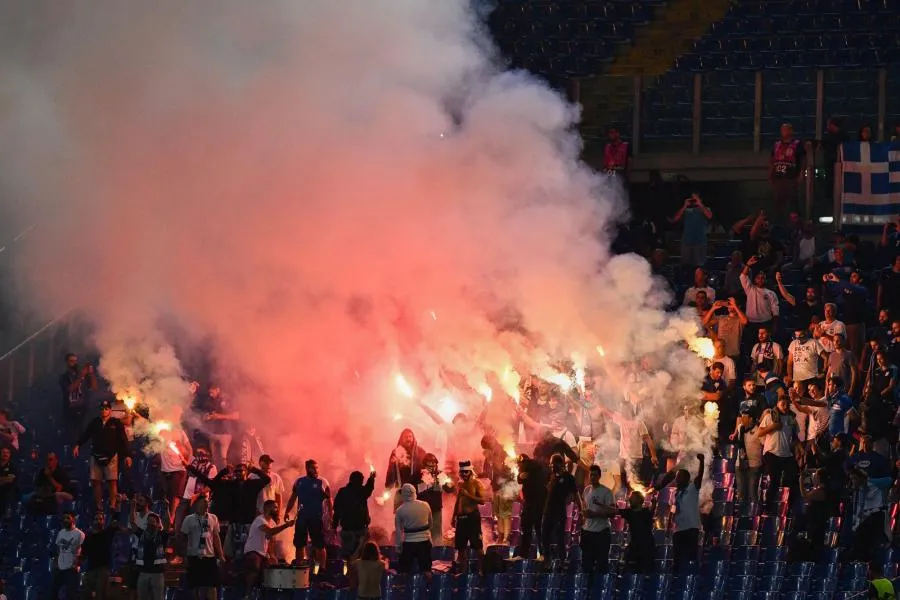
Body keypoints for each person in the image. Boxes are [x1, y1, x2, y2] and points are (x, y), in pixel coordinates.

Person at [74, 399, 132, 512]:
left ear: (110, 410)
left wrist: (128, 455)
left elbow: (123, 440)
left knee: (112, 481)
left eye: (106, 408)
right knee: (96, 481)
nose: (104, 410)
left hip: (111, 456)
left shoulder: (116, 423)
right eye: (102, 409)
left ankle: (112, 505)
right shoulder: (95, 422)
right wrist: (78, 445)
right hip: (96, 455)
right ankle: (99, 505)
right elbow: (86, 434)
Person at [657, 454, 705, 572]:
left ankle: (690, 576)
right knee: (677, 559)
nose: (676, 479)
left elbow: (700, 476)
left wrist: (702, 461)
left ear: (686, 479)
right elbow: (673, 511)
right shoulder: (676, 494)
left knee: (690, 556)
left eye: (679, 477)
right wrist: (669, 527)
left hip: (691, 528)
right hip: (678, 530)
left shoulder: (693, 488)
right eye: (676, 477)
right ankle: (677, 576)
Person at [757, 393, 801, 515]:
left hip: (786, 454)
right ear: (777, 404)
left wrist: (799, 449)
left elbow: (795, 436)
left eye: (787, 405)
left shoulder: (792, 418)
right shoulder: (770, 416)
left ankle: (790, 507)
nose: (785, 407)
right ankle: (767, 509)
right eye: (783, 404)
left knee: (794, 478)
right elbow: (759, 433)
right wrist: (773, 426)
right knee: (774, 481)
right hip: (772, 452)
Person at [241, 499, 296, 596]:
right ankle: (247, 594)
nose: (277, 509)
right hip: (253, 551)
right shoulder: (260, 520)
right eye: (275, 507)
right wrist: (286, 525)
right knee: (255, 566)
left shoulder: (272, 523)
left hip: (263, 553)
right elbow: (270, 531)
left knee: (271, 570)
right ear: (267, 508)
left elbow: (271, 541)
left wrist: (272, 555)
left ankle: (264, 594)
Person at [285, 459, 331, 568]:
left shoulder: (322, 482)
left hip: (316, 517)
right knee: (299, 544)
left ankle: (322, 569)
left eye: (317, 468)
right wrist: (287, 511)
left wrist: (331, 515)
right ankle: (299, 567)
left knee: (319, 545)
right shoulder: (299, 482)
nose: (316, 470)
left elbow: (329, 500)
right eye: (313, 468)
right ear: (307, 469)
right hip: (301, 518)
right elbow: (293, 498)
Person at [180, 495, 225, 600]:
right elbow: (183, 538)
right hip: (194, 555)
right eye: (202, 502)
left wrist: (221, 554)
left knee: (212, 584)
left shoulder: (213, 518)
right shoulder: (189, 519)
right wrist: (184, 556)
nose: (204, 504)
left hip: (209, 555)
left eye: (206, 502)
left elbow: (216, 537)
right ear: (196, 504)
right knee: (195, 585)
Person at [541, 453, 581, 564]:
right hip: (548, 511)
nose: (551, 466)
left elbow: (576, 495)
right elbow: (547, 491)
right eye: (550, 464)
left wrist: (581, 510)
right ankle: (547, 560)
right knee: (544, 536)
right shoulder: (550, 476)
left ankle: (562, 561)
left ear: (559, 464)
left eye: (552, 464)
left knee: (560, 538)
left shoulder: (569, 478)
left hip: (559, 511)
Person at [580, 465, 615, 578]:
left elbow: (612, 513)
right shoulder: (586, 490)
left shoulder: (606, 492)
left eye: (595, 475)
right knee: (586, 564)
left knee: (602, 564)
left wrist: (594, 514)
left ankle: (600, 586)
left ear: (599, 476)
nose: (593, 477)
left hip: (601, 532)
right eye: (591, 475)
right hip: (587, 531)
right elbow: (586, 507)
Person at [332, 469, 377, 558]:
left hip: (347, 529)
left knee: (346, 554)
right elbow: (368, 489)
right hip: (360, 529)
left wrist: (334, 526)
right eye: (362, 479)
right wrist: (371, 479)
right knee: (361, 555)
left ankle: (347, 566)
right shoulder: (361, 491)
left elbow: (336, 510)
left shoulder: (342, 492)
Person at [741, 257, 780, 355]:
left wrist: (774, 325)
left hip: (766, 323)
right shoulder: (750, 289)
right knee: (750, 348)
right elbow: (743, 276)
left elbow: (775, 311)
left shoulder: (771, 293)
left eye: (763, 278)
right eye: (758, 277)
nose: (761, 279)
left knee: (765, 348)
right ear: (755, 279)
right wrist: (747, 265)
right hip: (751, 323)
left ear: (765, 280)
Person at [413, 453, 453, 546]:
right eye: (429, 465)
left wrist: (450, 485)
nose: (431, 468)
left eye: (433, 465)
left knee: (436, 533)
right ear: (424, 465)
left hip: (436, 509)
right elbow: (414, 490)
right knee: (422, 532)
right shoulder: (418, 475)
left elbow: (449, 489)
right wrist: (428, 484)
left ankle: (437, 550)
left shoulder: (440, 474)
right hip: (422, 509)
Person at [452, 459, 485, 574]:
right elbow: (458, 501)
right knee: (461, 548)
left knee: (478, 547)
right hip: (461, 519)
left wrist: (468, 495)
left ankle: (482, 570)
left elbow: (482, 500)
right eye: (462, 472)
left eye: (466, 472)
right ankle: (462, 572)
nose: (464, 474)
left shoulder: (477, 483)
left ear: (471, 471)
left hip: (472, 518)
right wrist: (453, 516)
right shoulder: (460, 484)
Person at [395, 483, 433, 574]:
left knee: (404, 572)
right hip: (424, 542)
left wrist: (399, 547)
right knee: (427, 571)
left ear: (403, 494)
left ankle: (406, 583)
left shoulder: (400, 510)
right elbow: (431, 524)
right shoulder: (425, 505)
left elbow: (398, 531)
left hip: (408, 543)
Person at [58, 353, 98, 441]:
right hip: (70, 411)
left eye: (75, 361)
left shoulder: (81, 375)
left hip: (84, 410)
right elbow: (70, 389)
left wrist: (91, 374)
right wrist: (82, 375)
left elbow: (94, 388)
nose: (74, 363)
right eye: (71, 361)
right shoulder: (64, 377)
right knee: (71, 436)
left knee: (84, 434)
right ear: (67, 363)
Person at [768, 123, 805, 217]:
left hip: (791, 176)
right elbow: (772, 160)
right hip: (778, 176)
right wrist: (770, 175)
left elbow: (802, 159)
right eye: (782, 130)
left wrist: (801, 173)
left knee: (793, 200)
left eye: (786, 129)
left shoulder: (797, 144)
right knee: (778, 201)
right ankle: (779, 219)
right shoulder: (776, 145)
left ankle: (795, 219)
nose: (783, 132)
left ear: (791, 131)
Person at [515, 453, 548, 558]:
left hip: (537, 503)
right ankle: (525, 554)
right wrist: (520, 476)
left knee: (538, 530)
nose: (518, 466)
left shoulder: (535, 468)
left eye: (519, 464)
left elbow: (524, 479)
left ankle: (542, 554)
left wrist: (522, 476)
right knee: (528, 529)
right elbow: (520, 479)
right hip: (530, 503)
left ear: (524, 462)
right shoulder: (527, 469)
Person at [81, 512, 120, 600]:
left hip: (104, 567)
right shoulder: (88, 537)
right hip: (91, 567)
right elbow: (84, 554)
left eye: (100, 519)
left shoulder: (107, 532)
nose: (98, 521)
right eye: (96, 519)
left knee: (100, 591)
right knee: (86, 591)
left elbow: (116, 520)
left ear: (104, 521)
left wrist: (115, 508)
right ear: (92, 521)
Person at [159, 427, 191, 531]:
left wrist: (188, 463)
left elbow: (189, 449)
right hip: (165, 469)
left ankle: (172, 520)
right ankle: (165, 520)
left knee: (175, 496)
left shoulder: (180, 432)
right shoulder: (160, 429)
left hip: (178, 469)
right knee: (165, 495)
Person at [201, 385, 240, 468]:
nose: (210, 395)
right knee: (215, 459)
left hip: (225, 433)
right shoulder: (210, 401)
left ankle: (225, 474)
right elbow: (205, 415)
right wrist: (207, 417)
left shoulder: (227, 400)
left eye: (212, 392)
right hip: (213, 434)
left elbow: (236, 416)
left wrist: (219, 416)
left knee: (223, 457)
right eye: (209, 393)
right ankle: (216, 474)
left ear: (218, 389)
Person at [50, 512, 85, 600]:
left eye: (68, 518)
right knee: (53, 593)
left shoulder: (79, 534)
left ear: (73, 519)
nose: (65, 520)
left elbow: (83, 551)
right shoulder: (61, 532)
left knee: (71, 595)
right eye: (64, 518)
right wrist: (56, 563)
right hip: (59, 568)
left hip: (71, 569)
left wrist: (77, 564)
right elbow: (58, 549)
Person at [385, 429, 428, 500]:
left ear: (413, 438)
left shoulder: (420, 451)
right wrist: (388, 486)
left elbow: (427, 469)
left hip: (418, 489)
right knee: (401, 506)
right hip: (402, 488)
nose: (408, 439)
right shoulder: (396, 452)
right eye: (406, 437)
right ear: (401, 439)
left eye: (410, 436)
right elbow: (391, 470)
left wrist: (425, 485)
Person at [671, 194, 712, 269]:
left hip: (700, 241)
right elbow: (675, 219)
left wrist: (700, 204)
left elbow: (709, 216)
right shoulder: (686, 210)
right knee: (685, 265)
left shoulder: (705, 209)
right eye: (692, 199)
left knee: (699, 265)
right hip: (686, 240)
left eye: (695, 199)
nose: (693, 201)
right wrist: (684, 206)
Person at [134, 512, 168, 600]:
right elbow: (132, 524)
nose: (150, 524)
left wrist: (166, 509)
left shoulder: (162, 535)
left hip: (157, 573)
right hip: (143, 572)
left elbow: (167, 523)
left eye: (153, 522)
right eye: (149, 522)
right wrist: (132, 506)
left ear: (157, 523)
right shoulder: (142, 534)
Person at [620, 491, 655, 574]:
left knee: (643, 570)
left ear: (639, 500)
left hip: (646, 547)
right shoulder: (629, 512)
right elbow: (614, 511)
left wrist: (654, 502)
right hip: (634, 546)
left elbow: (652, 508)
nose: (629, 499)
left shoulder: (646, 512)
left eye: (632, 497)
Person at [0, 448, 16, 518]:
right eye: (4, 452)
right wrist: (4, 479)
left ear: (10, 455)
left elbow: (10, 479)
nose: (5, 454)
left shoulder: (12, 466)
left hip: (7, 492)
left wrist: (2, 479)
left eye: (7, 452)